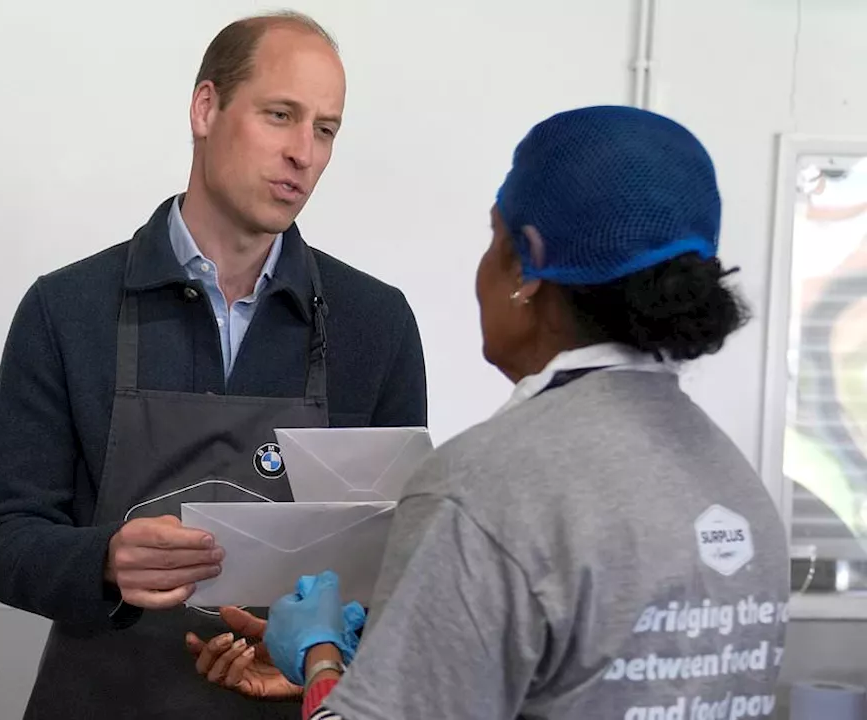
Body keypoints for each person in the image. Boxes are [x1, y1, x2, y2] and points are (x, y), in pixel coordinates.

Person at [190, 106, 790, 719]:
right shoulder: (741, 492)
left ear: (526, 266)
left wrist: (319, 657)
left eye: (493, 236)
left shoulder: (486, 487)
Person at [0, 10, 426, 719]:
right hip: (100, 699)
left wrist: (327, 655)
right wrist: (104, 562)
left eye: (325, 129)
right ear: (206, 107)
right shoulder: (67, 309)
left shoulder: (377, 323)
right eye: (280, 115)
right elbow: (4, 538)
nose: (304, 152)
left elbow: (397, 559)